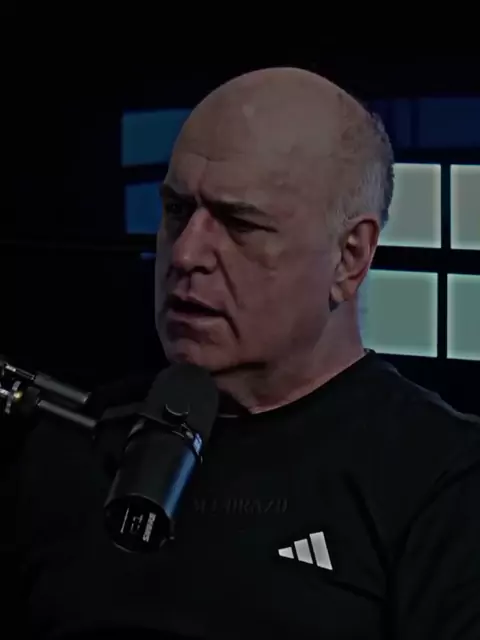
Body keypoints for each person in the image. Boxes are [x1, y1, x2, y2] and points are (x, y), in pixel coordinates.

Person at [6, 68, 480, 638]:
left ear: (349, 257)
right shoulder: (73, 441)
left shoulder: (443, 478)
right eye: (177, 211)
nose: (186, 255)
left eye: (239, 224)